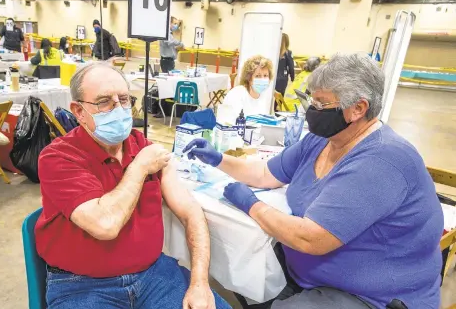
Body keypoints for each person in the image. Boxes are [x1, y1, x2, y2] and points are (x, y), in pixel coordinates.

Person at [183, 52, 443, 309]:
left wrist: (251, 204)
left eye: (321, 104)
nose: (312, 110)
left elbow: (311, 238)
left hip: (369, 296)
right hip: (309, 275)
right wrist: (218, 159)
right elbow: (265, 173)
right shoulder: (323, 140)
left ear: (358, 108)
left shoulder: (382, 160)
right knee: (242, 271)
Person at [35, 62, 232, 309]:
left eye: (124, 99)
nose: (118, 109)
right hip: (82, 285)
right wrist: (139, 168)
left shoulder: (145, 148)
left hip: (153, 276)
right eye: (104, 101)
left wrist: (200, 283)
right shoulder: (60, 157)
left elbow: (191, 212)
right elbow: (105, 225)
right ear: (79, 111)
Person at [219, 55, 273, 123]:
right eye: (258, 76)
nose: (262, 79)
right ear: (249, 78)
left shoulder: (264, 97)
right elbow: (229, 124)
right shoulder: (236, 94)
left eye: (265, 75)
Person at [275, 33, 295, 99]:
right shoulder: (288, 53)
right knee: (280, 98)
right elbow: (291, 67)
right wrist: (293, 79)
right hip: (282, 80)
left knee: (275, 96)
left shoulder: (274, 52)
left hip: (273, 78)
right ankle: (278, 109)